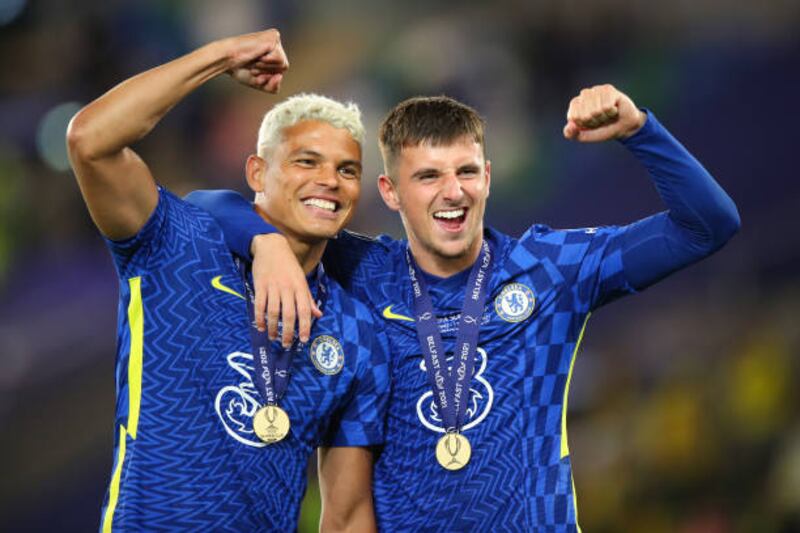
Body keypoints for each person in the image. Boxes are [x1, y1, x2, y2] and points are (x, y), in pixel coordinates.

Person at [187, 85, 740, 530]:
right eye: (428, 176)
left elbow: (707, 225)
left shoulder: (549, 268)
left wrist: (640, 131)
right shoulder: (358, 271)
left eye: (466, 172)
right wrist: (267, 244)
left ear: (488, 177)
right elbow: (204, 209)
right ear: (390, 191)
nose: (453, 192)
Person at [66, 28, 389, 531]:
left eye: (347, 170)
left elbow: (347, 516)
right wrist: (223, 56)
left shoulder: (355, 332)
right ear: (257, 173)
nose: (330, 180)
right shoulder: (177, 244)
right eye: (307, 161)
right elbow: (90, 141)